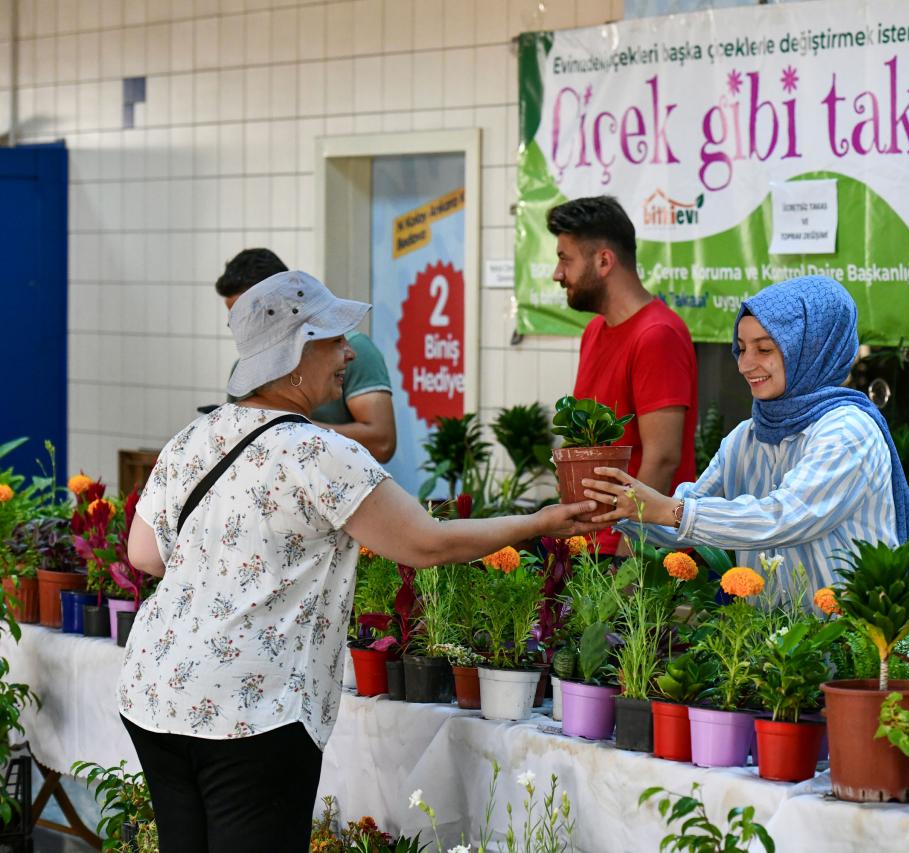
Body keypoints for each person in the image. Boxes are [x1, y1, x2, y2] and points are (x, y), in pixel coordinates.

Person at [122, 270, 602, 853]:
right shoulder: (319, 452)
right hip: (254, 711)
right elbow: (426, 544)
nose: (349, 351)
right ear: (297, 353)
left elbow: (143, 554)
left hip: (157, 694)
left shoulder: (193, 438)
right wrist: (541, 521)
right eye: (333, 337)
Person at [582, 275, 909, 593]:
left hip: (856, 643)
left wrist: (671, 510)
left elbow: (786, 516)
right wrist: (613, 507)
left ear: (811, 349)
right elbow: (686, 518)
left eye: (764, 349)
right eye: (742, 348)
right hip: (776, 645)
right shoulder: (748, 437)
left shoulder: (848, 430)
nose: (744, 364)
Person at [547, 196, 698, 554]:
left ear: (604, 261)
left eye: (564, 259)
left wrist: (627, 563)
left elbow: (662, 459)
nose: (557, 274)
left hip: (639, 555)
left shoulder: (657, 334)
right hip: (591, 549)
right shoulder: (594, 332)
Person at [215, 248, 397, 463]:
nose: (243, 325)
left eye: (251, 311)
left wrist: (290, 429)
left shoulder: (354, 351)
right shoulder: (243, 372)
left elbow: (382, 443)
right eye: (237, 319)